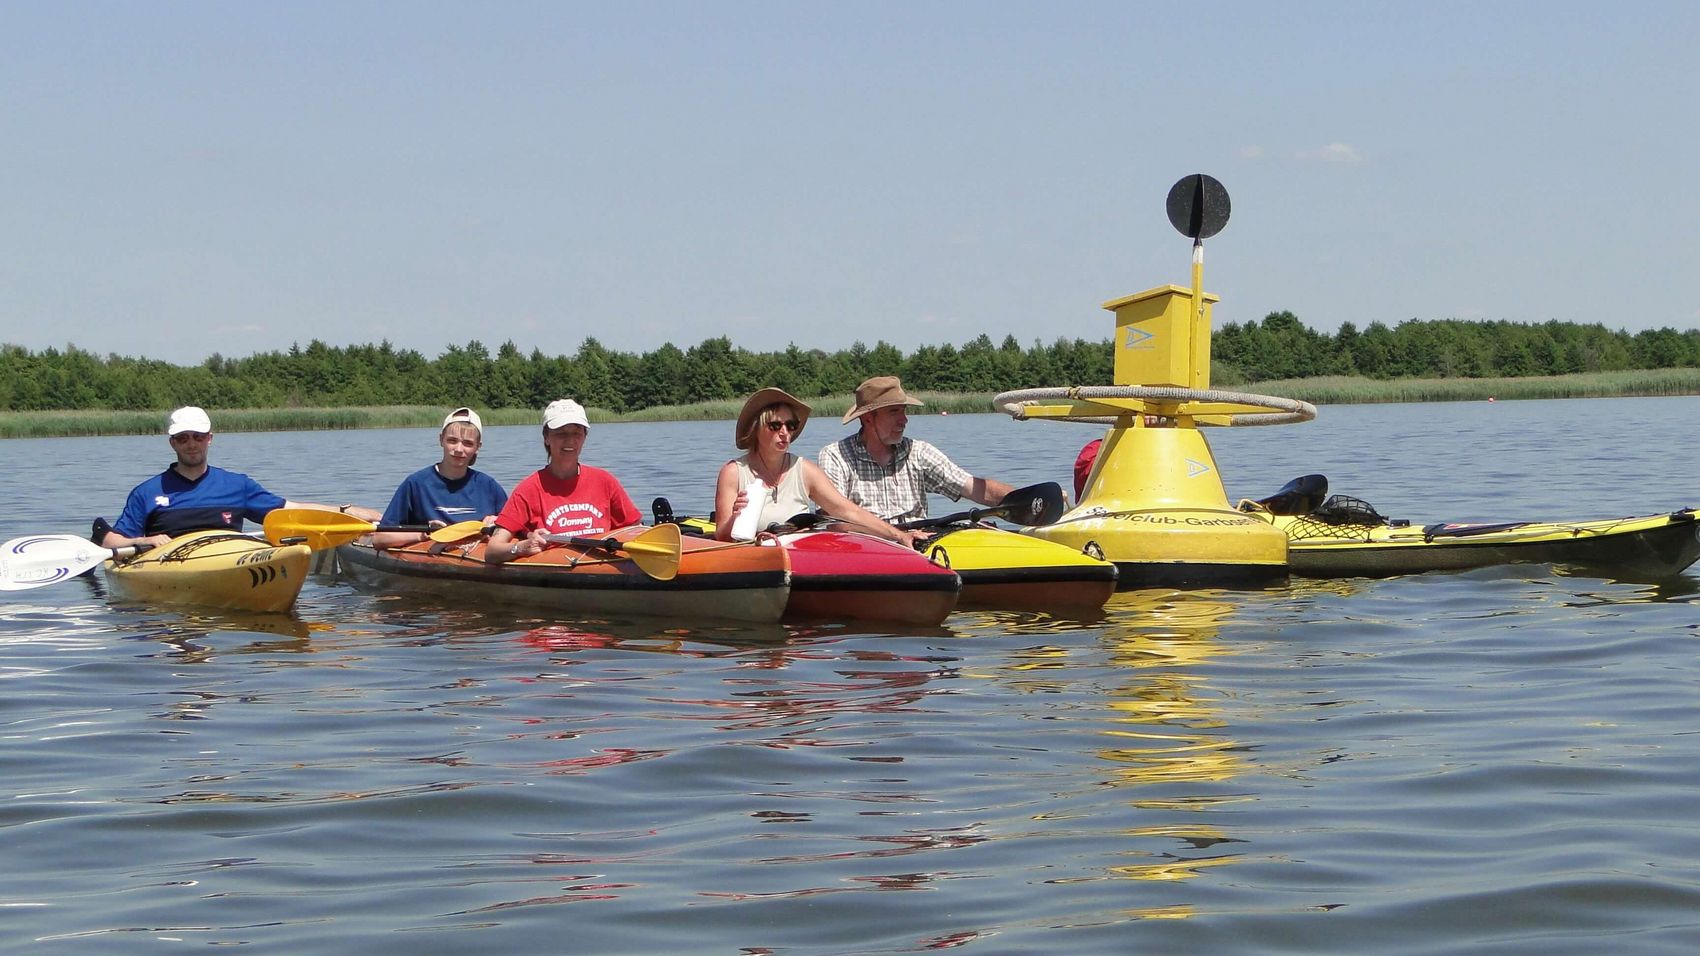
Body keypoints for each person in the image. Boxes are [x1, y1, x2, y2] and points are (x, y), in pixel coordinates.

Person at [101, 405, 382, 549]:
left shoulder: (237, 485)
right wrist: (141, 541)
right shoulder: (147, 491)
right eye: (183, 438)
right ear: (172, 443)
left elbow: (289, 510)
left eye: (198, 437)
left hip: (230, 559)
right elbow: (111, 540)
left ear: (210, 439)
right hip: (168, 564)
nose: (191, 444)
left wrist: (346, 511)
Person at [715, 387, 921, 547]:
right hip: (753, 559)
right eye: (775, 426)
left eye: (791, 425)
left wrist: (899, 535)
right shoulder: (733, 473)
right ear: (757, 428)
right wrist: (736, 516)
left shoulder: (805, 471)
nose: (785, 432)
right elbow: (722, 537)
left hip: (800, 560)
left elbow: (848, 512)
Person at [817, 375, 1013, 524]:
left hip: (918, 549)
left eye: (904, 411)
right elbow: (832, 517)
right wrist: (892, 535)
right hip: (865, 552)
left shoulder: (918, 453)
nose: (904, 420)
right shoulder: (836, 456)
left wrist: (1030, 501)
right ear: (868, 418)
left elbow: (974, 488)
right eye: (894, 412)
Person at [485, 399, 642, 563]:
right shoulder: (528, 489)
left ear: (584, 437)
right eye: (561, 433)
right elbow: (492, 551)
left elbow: (635, 531)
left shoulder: (605, 481)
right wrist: (523, 547)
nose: (570, 440)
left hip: (603, 568)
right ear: (546, 437)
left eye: (577, 433)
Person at [370, 407, 509, 550]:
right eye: (452, 441)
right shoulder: (416, 484)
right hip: (427, 561)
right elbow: (380, 538)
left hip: (477, 557)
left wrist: (497, 524)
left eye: (468, 443)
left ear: (478, 447)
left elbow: (515, 530)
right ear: (441, 440)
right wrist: (424, 535)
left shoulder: (489, 486)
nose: (459, 449)